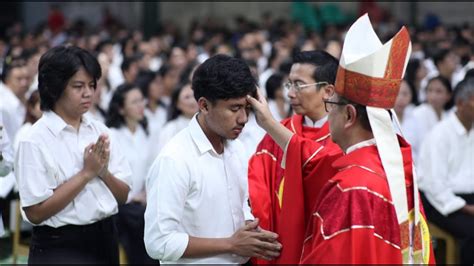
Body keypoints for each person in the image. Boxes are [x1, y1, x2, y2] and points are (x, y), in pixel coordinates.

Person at [247, 14, 434, 264]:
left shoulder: (351, 186)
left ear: (348, 114)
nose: (328, 110)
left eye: (331, 104)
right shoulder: (396, 165)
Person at [144, 54, 282, 264]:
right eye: (234, 109)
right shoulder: (175, 159)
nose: (244, 119)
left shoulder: (236, 147)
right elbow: (158, 242)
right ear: (204, 106)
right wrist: (231, 244)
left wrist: (250, 230)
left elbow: (239, 205)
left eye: (247, 108)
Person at [15, 45, 132, 264]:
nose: (88, 93)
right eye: (78, 86)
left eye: (91, 85)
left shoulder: (100, 130)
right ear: (55, 88)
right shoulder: (34, 139)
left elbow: (123, 195)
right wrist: (86, 174)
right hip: (60, 244)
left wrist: (103, 173)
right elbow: (36, 213)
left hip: (105, 235)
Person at [247, 50, 341, 263]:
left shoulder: (344, 135)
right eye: (289, 84)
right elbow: (259, 191)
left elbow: (321, 163)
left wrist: (269, 124)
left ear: (327, 90)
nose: (290, 94)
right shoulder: (279, 133)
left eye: (299, 84)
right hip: (284, 248)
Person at [418, 77, 474, 264]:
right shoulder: (440, 134)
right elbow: (435, 184)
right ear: (460, 103)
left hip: (468, 197)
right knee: (471, 231)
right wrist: (466, 208)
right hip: (438, 200)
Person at [105, 83, 157, 264]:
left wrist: (144, 194)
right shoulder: (112, 135)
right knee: (141, 221)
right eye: (134, 102)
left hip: (141, 201)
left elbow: (151, 170)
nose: (141, 105)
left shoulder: (144, 132)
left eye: (141, 100)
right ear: (121, 108)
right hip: (120, 204)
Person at [152, 82, 199, 159]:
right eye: (187, 97)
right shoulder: (170, 128)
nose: (193, 101)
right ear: (177, 104)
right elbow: (164, 157)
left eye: (195, 96)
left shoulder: (206, 125)